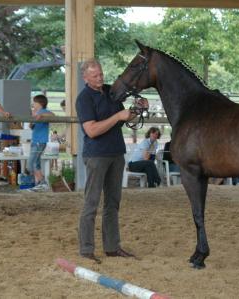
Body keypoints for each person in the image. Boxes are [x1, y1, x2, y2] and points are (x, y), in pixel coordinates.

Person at [76, 58, 146, 263]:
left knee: (113, 203)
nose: (100, 78)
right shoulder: (84, 99)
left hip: (116, 153)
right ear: (85, 77)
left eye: (101, 74)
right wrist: (117, 117)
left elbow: (127, 117)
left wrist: (137, 109)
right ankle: (86, 249)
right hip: (96, 155)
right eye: (95, 75)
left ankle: (112, 247)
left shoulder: (110, 91)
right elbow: (91, 130)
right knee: (92, 202)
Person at [27, 94, 54, 191]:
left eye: (34, 102)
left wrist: (41, 115)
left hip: (39, 141)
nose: (33, 104)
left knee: (31, 163)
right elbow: (32, 126)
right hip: (35, 141)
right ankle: (40, 183)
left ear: (40, 103)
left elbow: (52, 115)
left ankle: (42, 182)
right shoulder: (36, 112)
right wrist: (31, 121)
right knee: (36, 162)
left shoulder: (43, 112)